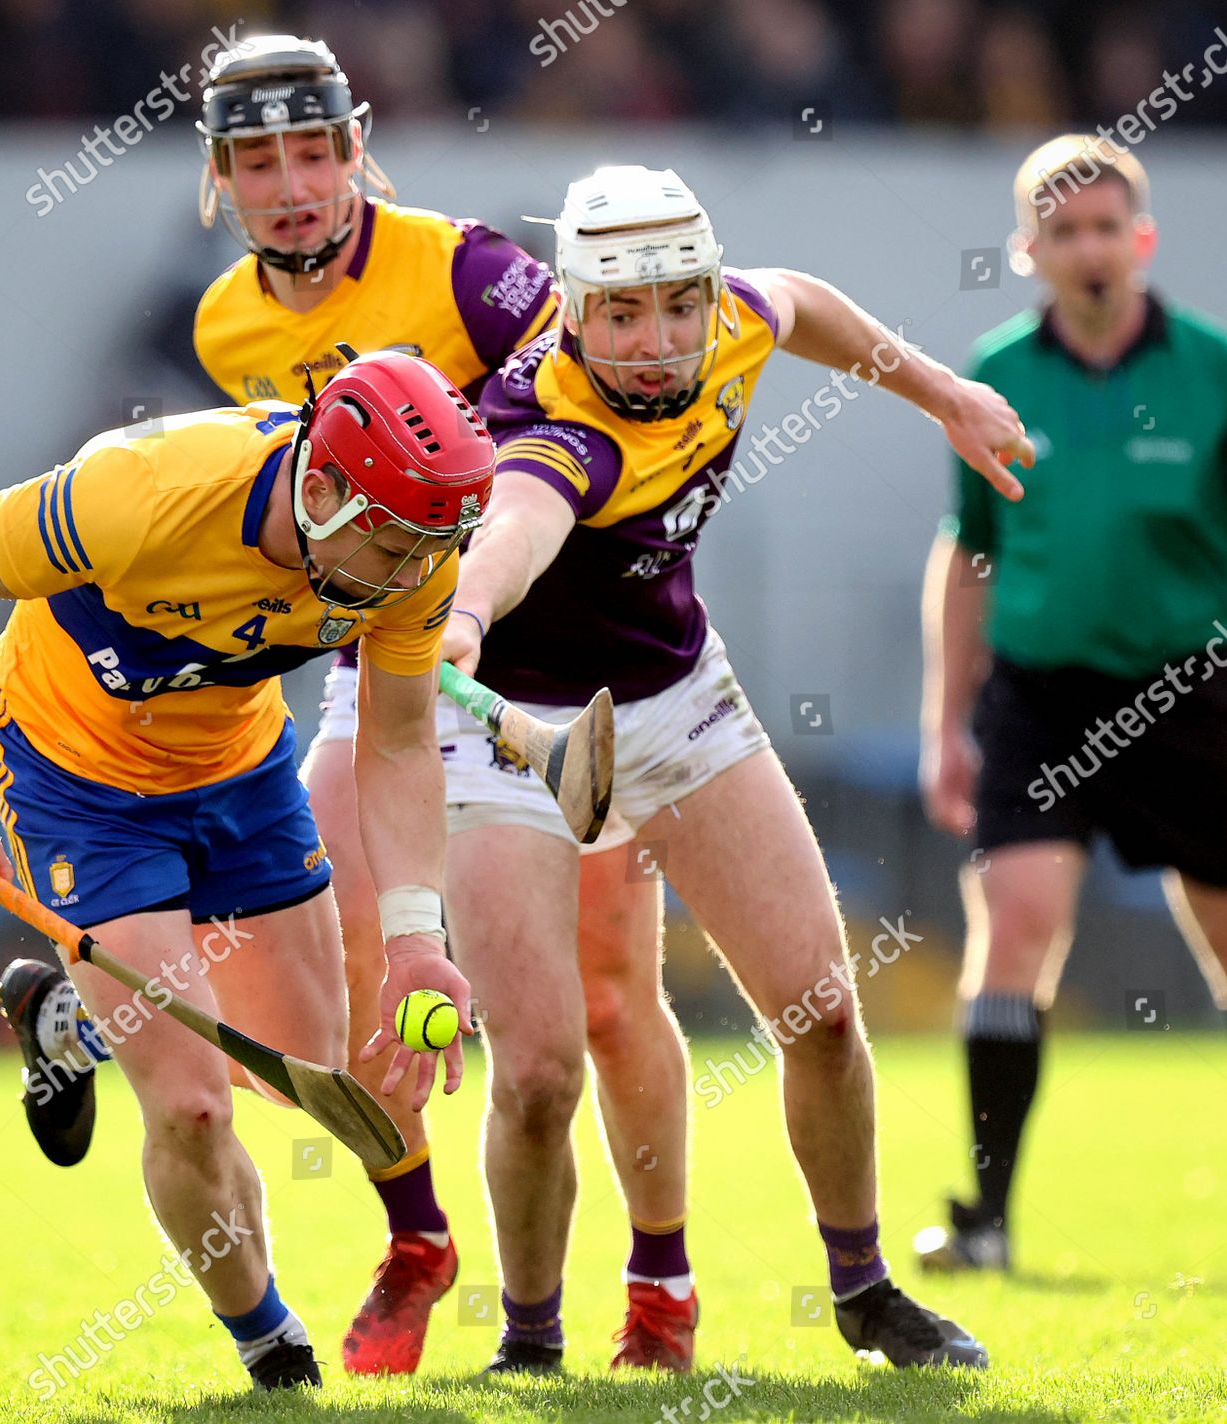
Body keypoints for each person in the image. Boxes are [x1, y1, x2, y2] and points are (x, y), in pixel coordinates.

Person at [0, 32, 705, 1374]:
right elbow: (311, 512)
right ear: (217, 178)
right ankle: (419, 1233)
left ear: (359, 145)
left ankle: (655, 1289)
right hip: (379, 654)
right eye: (257, 160)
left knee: (601, 1000)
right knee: (330, 1013)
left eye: (315, 151)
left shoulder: (475, 270)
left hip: (546, 650)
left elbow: (597, 390)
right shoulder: (224, 326)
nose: (292, 185)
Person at [439, 164, 1032, 1372]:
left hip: (683, 701)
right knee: (541, 1070)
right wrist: (466, 615)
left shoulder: (732, 318)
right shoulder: (553, 431)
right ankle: (532, 1339)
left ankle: (866, 1292)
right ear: (570, 312)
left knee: (818, 1008)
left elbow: (803, 301)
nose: (656, 342)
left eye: (677, 306)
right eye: (621, 313)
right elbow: (517, 522)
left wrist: (944, 397)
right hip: (515, 729)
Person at [0, 351, 491, 1390]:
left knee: (306, 1072)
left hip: (238, 773)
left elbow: (395, 745)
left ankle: (71, 1020)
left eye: (427, 549)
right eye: (391, 542)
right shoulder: (144, 494)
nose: (407, 573)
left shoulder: (414, 549)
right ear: (326, 486)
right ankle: (270, 1342)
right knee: (196, 1102)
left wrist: (417, 938)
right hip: (76, 777)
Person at [915, 135, 1227, 1272]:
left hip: (1195, 694)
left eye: (1108, 228)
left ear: (1142, 240)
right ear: (1029, 250)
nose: (1088, 249)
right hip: (1040, 698)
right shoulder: (995, 376)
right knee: (1017, 927)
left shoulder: (1213, 367)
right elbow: (970, 554)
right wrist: (946, 722)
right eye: (1065, 232)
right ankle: (986, 1221)